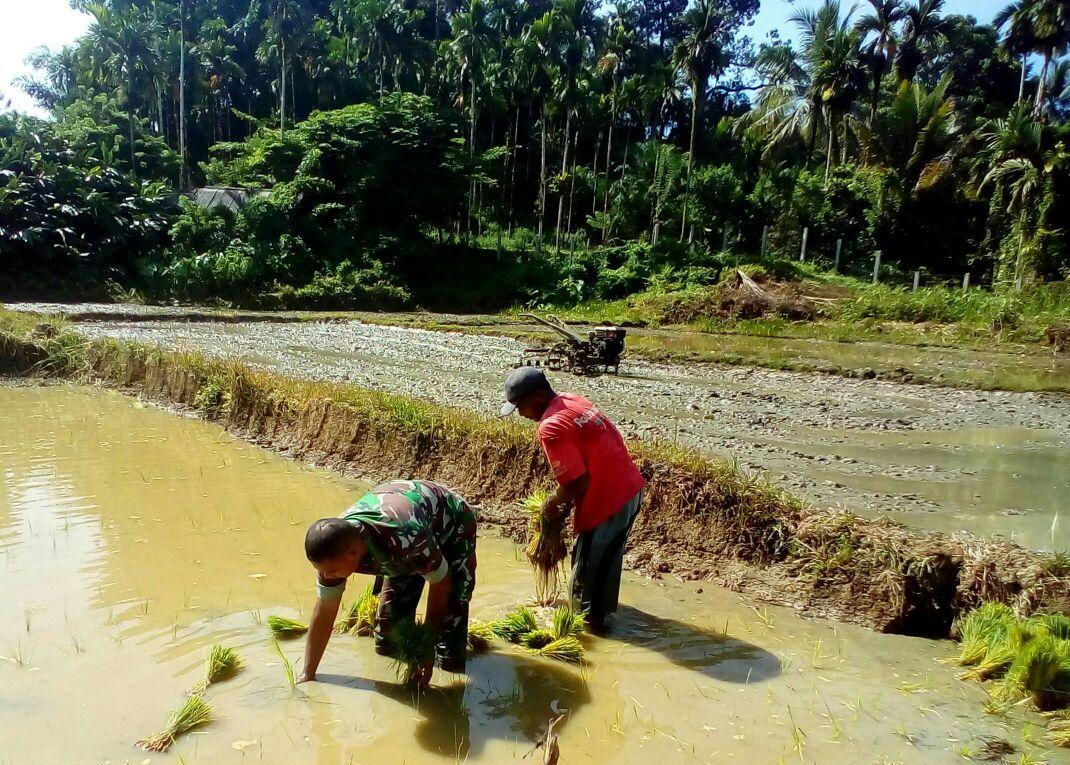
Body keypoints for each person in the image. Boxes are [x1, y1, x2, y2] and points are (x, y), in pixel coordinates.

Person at [501, 367, 645, 630]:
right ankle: (603, 619)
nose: (521, 414)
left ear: (539, 394)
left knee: (584, 579)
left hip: (606, 502)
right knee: (607, 563)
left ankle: (586, 632)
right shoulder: (573, 400)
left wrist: (552, 504)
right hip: (631, 491)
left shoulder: (550, 426)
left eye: (521, 405)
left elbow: (577, 482)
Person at [298, 479, 477, 687]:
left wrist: (426, 646)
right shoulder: (331, 550)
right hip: (398, 543)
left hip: (451, 523)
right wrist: (308, 673)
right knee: (388, 640)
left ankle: (451, 671)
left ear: (353, 553)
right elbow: (326, 609)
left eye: (332, 571)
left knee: (451, 619)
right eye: (322, 571)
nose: (328, 577)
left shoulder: (405, 538)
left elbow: (441, 583)